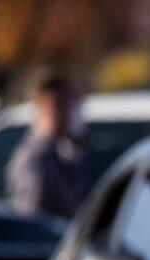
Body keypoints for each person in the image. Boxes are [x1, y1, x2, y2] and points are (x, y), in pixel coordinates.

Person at [5, 70, 88, 219]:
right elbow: (33, 222)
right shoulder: (35, 160)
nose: (77, 112)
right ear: (53, 106)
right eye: (72, 105)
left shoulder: (60, 154)